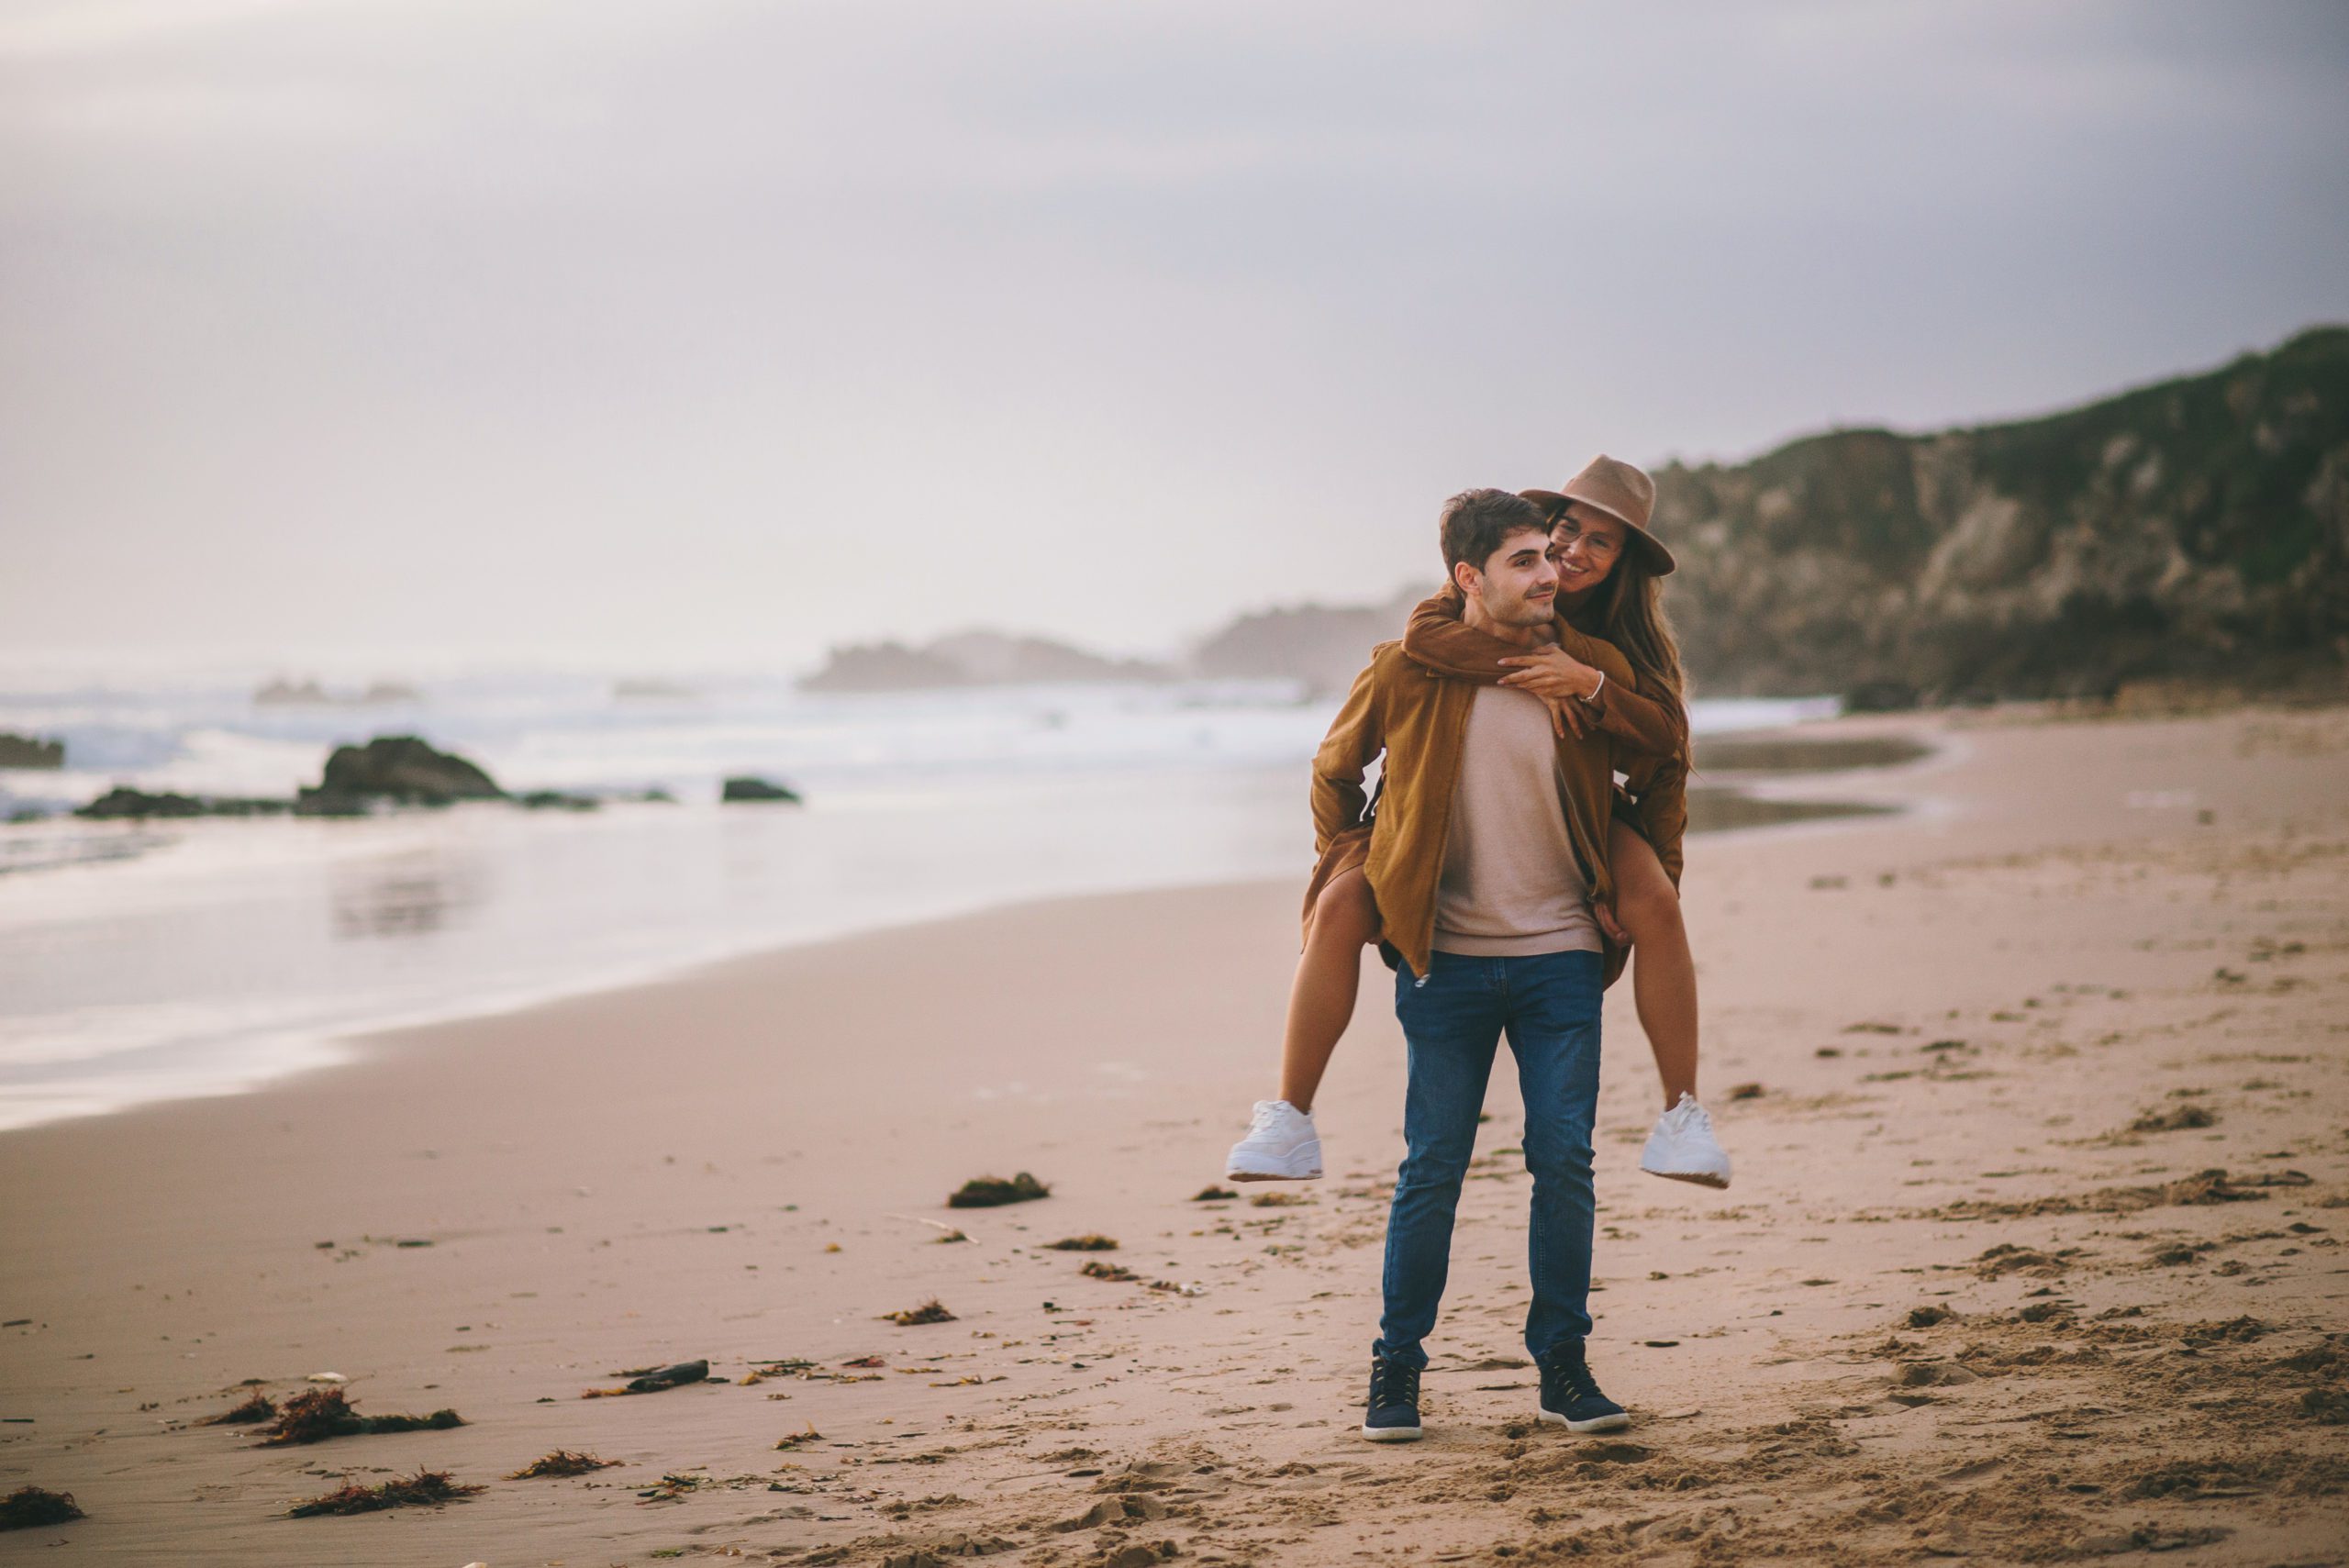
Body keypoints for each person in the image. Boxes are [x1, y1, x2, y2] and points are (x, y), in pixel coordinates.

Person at [1225, 455, 1730, 1190]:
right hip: (1428, 796)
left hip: (1581, 810)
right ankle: (1288, 1117)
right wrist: (1346, 852)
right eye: (1566, 532)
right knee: (1338, 903)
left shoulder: (1624, 647)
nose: (1571, 555)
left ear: (1623, 563)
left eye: (1602, 543)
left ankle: (1682, 1115)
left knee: (1655, 902)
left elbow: (1666, 751)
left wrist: (1586, 684)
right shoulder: (1472, 598)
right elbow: (1423, 644)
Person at [1308, 487, 1633, 1440]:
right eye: (1525, 560)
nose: (1549, 574)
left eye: (1550, 555)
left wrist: (1631, 872)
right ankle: (1395, 1369)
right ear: (1468, 577)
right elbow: (1335, 771)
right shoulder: (1408, 670)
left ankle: (1563, 1367)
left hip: (1563, 954)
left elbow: (1661, 754)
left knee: (1563, 1159)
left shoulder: (1580, 666)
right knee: (1432, 1166)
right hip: (1442, 960)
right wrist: (1362, 879)